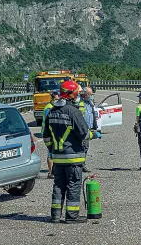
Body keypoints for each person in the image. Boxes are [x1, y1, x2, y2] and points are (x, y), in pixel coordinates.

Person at [43, 80, 102, 224]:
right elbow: (83, 134)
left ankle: (55, 215)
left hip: (57, 158)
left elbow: (46, 136)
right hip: (73, 158)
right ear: (72, 94)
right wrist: (95, 134)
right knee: (73, 185)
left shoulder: (51, 111)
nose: (78, 96)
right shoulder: (73, 111)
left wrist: (52, 150)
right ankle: (72, 216)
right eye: (76, 94)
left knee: (58, 186)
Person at [79, 87, 98, 173]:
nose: (91, 96)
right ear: (86, 95)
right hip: (82, 129)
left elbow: (92, 115)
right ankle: (81, 165)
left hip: (88, 129)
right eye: (90, 95)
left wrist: (95, 126)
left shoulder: (89, 103)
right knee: (82, 147)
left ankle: (82, 164)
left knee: (85, 147)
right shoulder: (80, 103)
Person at [42, 90, 60, 179]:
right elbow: (48, 122)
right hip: (48, 133)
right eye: (57, 98)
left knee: (54, 151)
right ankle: (50, 172)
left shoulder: (53, 107)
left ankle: (55, 170)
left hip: (53, 132)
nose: (58, 100)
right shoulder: (49, 108)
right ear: (52, 98)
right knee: (50, 153)